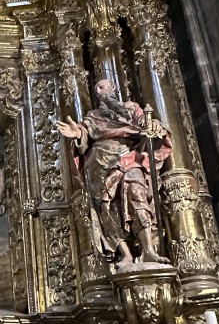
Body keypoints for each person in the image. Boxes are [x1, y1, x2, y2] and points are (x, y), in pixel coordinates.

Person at [57, 79, 172, 268]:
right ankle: (125, 254)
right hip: (98, 165)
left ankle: (149, 250)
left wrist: (155, 126)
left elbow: (146, 122)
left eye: (102, 86)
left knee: (136, 190)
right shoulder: (93, 115)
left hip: (127, 157)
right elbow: (84, 133)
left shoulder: (130, 108)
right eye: (96, 89)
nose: (99, 91)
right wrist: (77, 134)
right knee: (107, 207)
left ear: (114, 88)